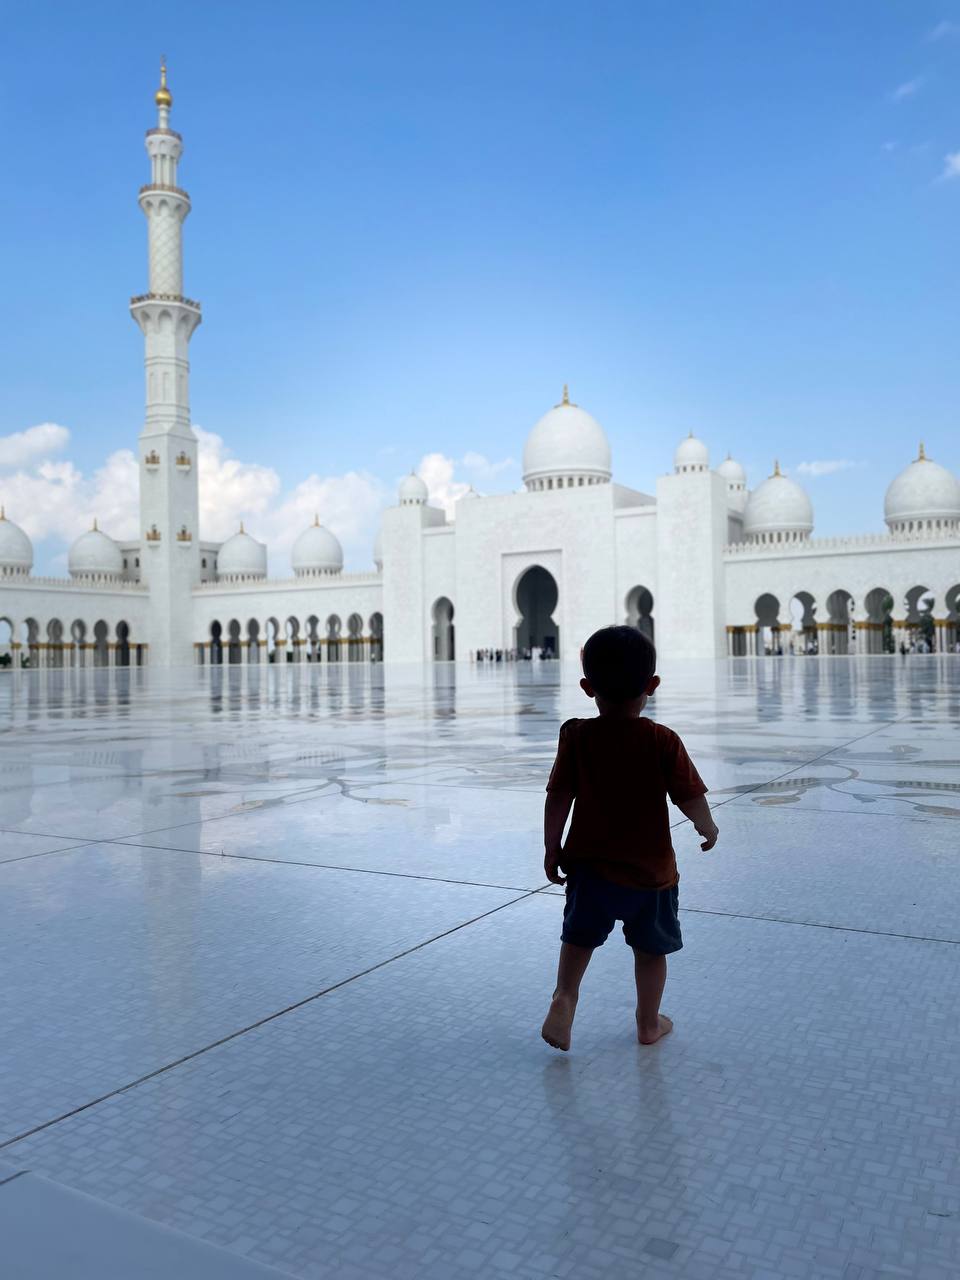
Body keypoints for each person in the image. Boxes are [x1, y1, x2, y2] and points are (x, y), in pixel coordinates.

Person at [540, 626, 718, 1052]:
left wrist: (552, 847)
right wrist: (707, 827)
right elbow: (690, 797)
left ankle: (564, 999)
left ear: (587, 688)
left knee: (578, 940)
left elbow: (558, 796)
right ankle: (647, 1022)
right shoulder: (661, 741)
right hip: (650, 877)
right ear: (652, 686)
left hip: (589, 869)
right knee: (650, 953)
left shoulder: (577, 736)